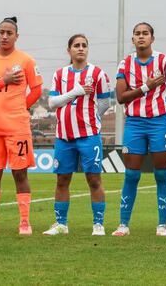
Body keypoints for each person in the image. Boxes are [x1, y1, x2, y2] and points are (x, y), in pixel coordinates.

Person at [0, 17, 43, 235]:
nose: (4, 36)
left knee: (20, 174)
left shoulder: (26, 60)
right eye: (1, 32)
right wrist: (3, 81)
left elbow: (37, 90)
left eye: (9, 33)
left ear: (16, 36)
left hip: (17, 127)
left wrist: (22, 108)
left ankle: (24, 223)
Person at [112, 22, 166, 237]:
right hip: (135, 123)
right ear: (132, 39)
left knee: (162, 174)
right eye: (137, 34)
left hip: (159, 121)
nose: (141, 37)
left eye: (145, 33)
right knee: (131, 175)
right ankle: (123, 224)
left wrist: (162, 103)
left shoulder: (165, 61)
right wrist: (146, 87)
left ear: (152, 38)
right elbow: (121, 97)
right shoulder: (125, 64)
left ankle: (162, 225)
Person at [44, 34, 111, 236]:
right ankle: (61, 224)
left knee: (94, 179)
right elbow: (52, 103)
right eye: (76, 45)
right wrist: (76, 92)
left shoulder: (98, 74)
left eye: (84, 45)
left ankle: (98, 224)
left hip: (89, 135)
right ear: (69, 50)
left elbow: (104, 103)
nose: (80, 48)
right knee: (62, 180)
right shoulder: (60, 74)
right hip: (64, 136)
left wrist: (90, 119)